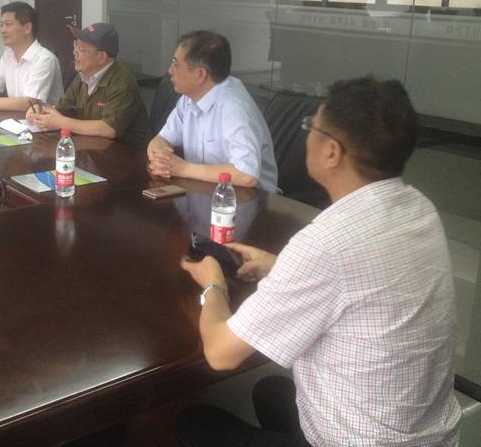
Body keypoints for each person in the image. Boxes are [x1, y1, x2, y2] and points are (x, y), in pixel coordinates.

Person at [177, 77, 461, 447]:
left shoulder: (326, 242)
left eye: (311, 125)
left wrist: (213, 285)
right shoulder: (419, 208)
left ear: (331, 152)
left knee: (193, 422)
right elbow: (369, 276)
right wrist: (281, 266)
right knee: (270, 389)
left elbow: (221, 354)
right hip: (428, 436)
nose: (306, 134)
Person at [147, 31, 277, 192]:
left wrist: (183, 168)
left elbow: (246, 175)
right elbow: (161, 139)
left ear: (200, 74)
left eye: (175, 64)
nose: (170, 70)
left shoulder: (234, 107)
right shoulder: (189, 99)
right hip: (204, 190)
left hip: (248, 198)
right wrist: (160, 158)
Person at [26, 23, 149, 148]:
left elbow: (108, 129)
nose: (75, 52)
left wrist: (61, 122)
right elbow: (61, 108)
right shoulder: (82, 76)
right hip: (91, 147)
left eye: (81, 49)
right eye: (75, 46)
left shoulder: (122, 82)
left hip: (124, 152)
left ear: (101, 57)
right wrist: (41, 111)